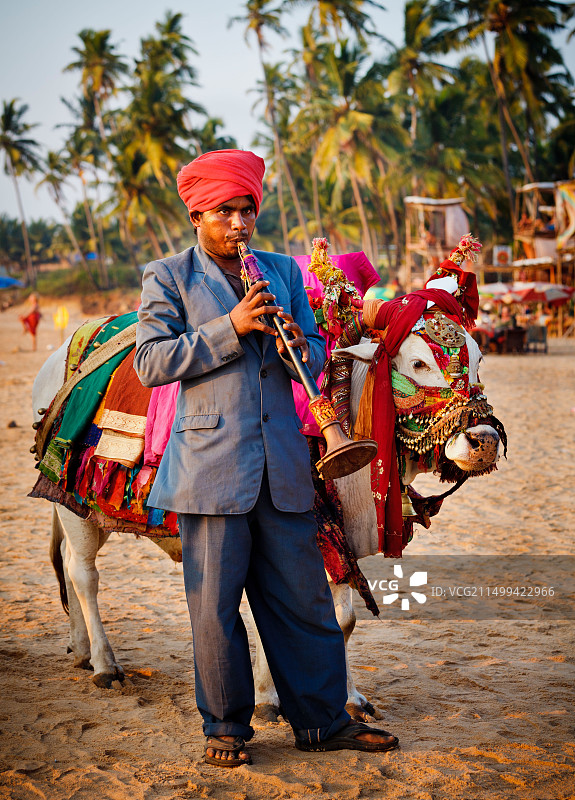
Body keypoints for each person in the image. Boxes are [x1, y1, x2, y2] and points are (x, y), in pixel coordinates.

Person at [134, 149, 398, 767]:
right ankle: (225, 727)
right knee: (215, 609)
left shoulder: (280, 270)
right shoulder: (167, 276)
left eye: (246, 210)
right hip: (210, 471)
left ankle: (324, 721)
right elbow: (151, 362)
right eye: (224, 211)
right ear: (198, 214)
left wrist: (290, 342)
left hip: (281, 469)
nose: (238, 223)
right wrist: (230, 326)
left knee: (304, 603)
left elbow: (310, 356)